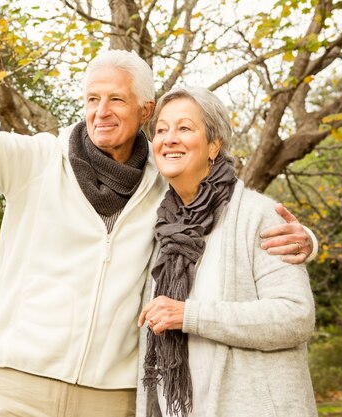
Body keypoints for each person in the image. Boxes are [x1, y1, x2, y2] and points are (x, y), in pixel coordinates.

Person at [0, 51, 316, 417]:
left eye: (116, 99)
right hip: (18, 383)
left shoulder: (161, 186)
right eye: (91, 99)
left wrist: (304, 241)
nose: (101, 111)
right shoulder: (38, 162)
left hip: (111, 395)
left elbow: (222, 221)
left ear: (144, 110)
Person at [136, 86, 317, 417]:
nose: (169, 138)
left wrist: (189, 315)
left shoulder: (256, 215)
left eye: (185, 128)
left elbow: (295, 316)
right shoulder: (160, 226)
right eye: (161, 129)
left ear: (214, 145)